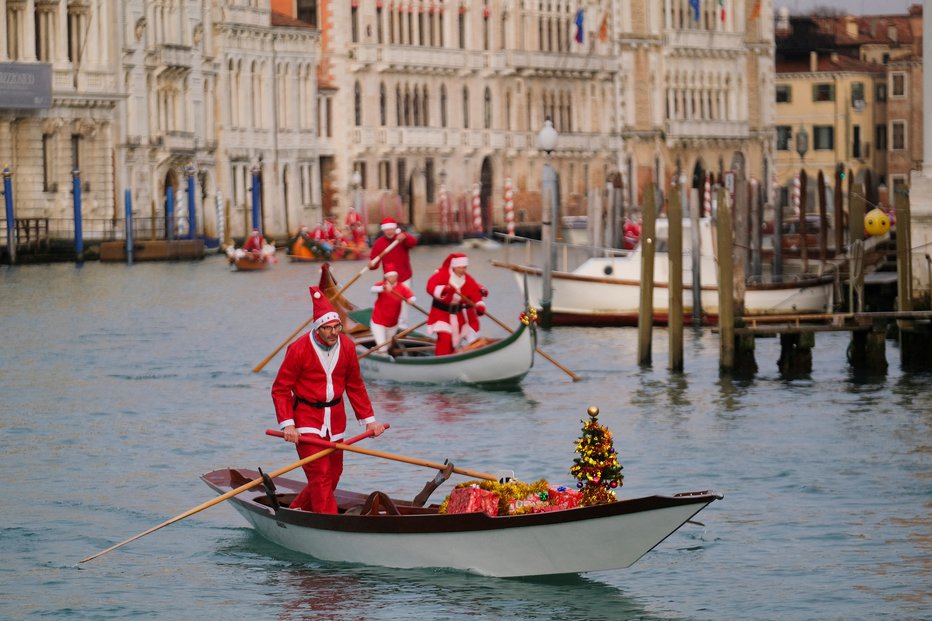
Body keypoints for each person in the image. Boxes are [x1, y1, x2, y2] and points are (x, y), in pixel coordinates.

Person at [272, 286, 387, 513]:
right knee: (321, 474)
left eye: (337, 326)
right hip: (306, 419)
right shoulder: (298, 349)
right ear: (317, 328)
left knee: (333, 475)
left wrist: (370, 421)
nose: (334, 332)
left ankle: (295, 511)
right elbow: (280, 389)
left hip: (335, 419)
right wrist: (288, 425)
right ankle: (332, 523)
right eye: (328, 328)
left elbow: (355, 385)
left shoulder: (347, 346)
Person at [425, 253, 488, 356]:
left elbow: (476, 295)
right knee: (445, 338)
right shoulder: (442, 275)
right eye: (459, 267)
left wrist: (480, 306)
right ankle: (441, 361)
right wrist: (445, 289)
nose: (462, 270)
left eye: (464, 267)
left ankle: (451, 357)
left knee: (454, 342)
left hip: (458, 316)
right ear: (454, 266)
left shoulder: (468, 279)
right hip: (440, 314)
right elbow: (430, 287)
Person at [368, 217, 417, 327]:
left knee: (403, 304)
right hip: (388, 280)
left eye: (391, 229)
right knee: (389, 304)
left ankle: (402, 327)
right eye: (387, 230)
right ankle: (388, 325)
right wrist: (371, 264)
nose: (389, 232)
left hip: (404, 277)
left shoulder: (402, 238)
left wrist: (406, 237)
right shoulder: (378, 243)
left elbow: (413, 243)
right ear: (383, 230)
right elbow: (374, 264)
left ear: (395, 229)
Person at [369, 264, 416, 352]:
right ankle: (381, 354)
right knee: (383, 348)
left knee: (387, 347)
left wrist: (411, 300)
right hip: (378, 323)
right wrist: (383, 288)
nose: (393, 278)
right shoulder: (382, 285)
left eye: (394, 275)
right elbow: (372, 289)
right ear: (386, 277)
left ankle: (376, 352)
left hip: (392, 325)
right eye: (390, 276)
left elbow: (412, 297)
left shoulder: (402, 288)